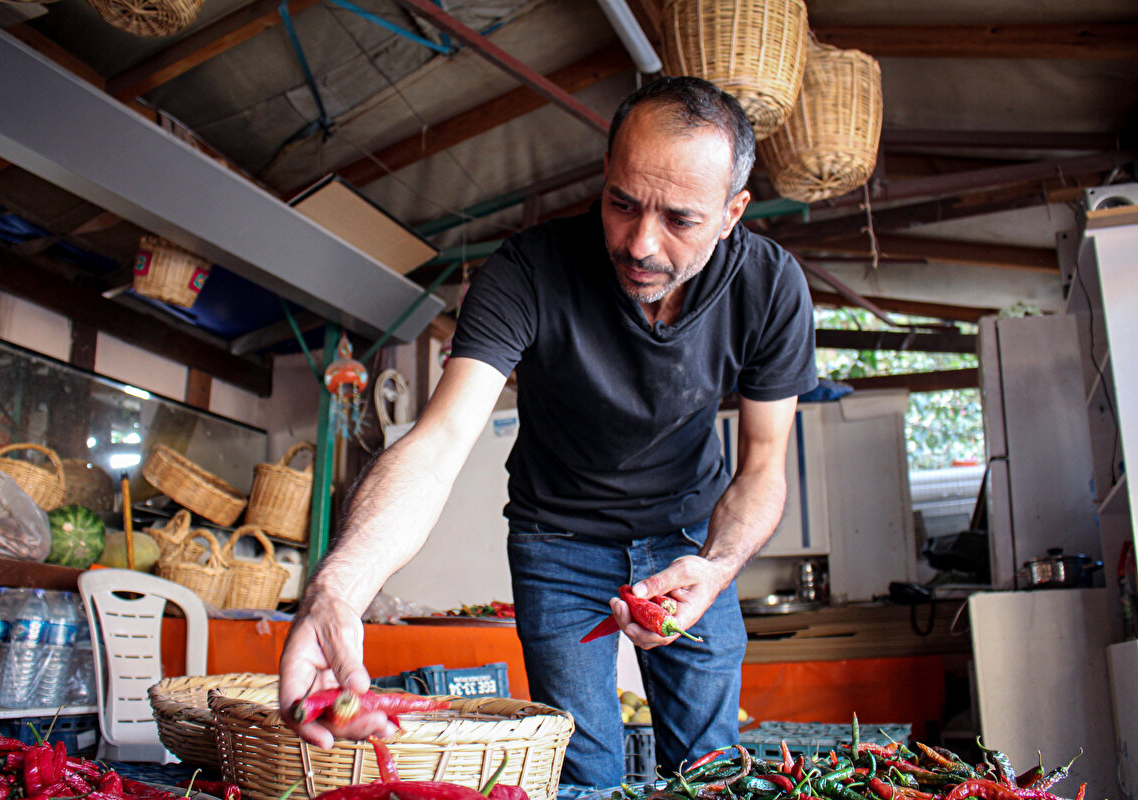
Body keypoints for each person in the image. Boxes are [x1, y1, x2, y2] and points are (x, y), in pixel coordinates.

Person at [279, 76, 817, 788]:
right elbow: (436, 445)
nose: (641, 244)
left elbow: (763, 467)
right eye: (622, 203)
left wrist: (718, 568)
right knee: (584, 772)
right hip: (558, 544)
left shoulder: (770, 287)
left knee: (711, 769)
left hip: (691, 541)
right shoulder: (529, 272)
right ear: (605, 176)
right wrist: (337, 589)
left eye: (680, 220)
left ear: (731, 212)